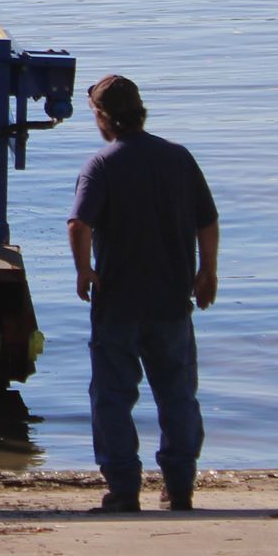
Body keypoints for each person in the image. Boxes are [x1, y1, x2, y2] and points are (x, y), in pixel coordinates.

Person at [68, 73, 219, 513]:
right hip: (172, 300)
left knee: (113, 396)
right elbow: (206, 220)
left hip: (118, 302)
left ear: (101, 115)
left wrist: (84, 271)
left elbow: (79, 223)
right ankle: (180, 485)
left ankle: (123, 488)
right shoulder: (178, 158)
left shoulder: (101, 165)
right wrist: (208, 271)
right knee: (177, 394)